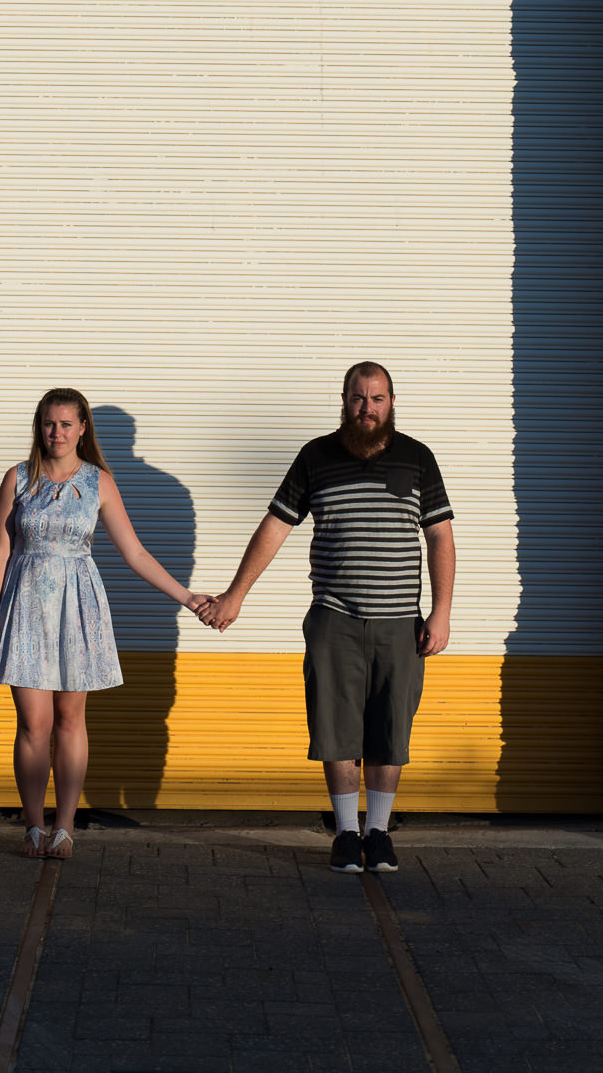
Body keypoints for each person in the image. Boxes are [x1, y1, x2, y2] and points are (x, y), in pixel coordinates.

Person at [204, 361, 454, 875]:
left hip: (399, 622)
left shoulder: (418, 458)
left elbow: (439, 537)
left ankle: (379, 833)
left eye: (377, 398)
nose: (367, 408)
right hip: (334, 618)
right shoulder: (315, 456)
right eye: (358, 398)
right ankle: (345, 834)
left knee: (390, 728)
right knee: (335, 727)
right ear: (344, 400)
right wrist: (235, 595)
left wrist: (442, 611)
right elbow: (275, 526)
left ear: (392, 402)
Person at [0, 387, 211, 858]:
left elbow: (135, 552)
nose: (56, 432)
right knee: (32, 724)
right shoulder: (17, 478)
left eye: (66, 424)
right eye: (48, 423)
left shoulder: (99, 482)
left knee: (69, 719)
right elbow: (1, 551)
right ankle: (33, 826)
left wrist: (188, 597)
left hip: (77, 606)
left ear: (83, 429)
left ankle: (65, 827)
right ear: (39, 427)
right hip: (23, 607)